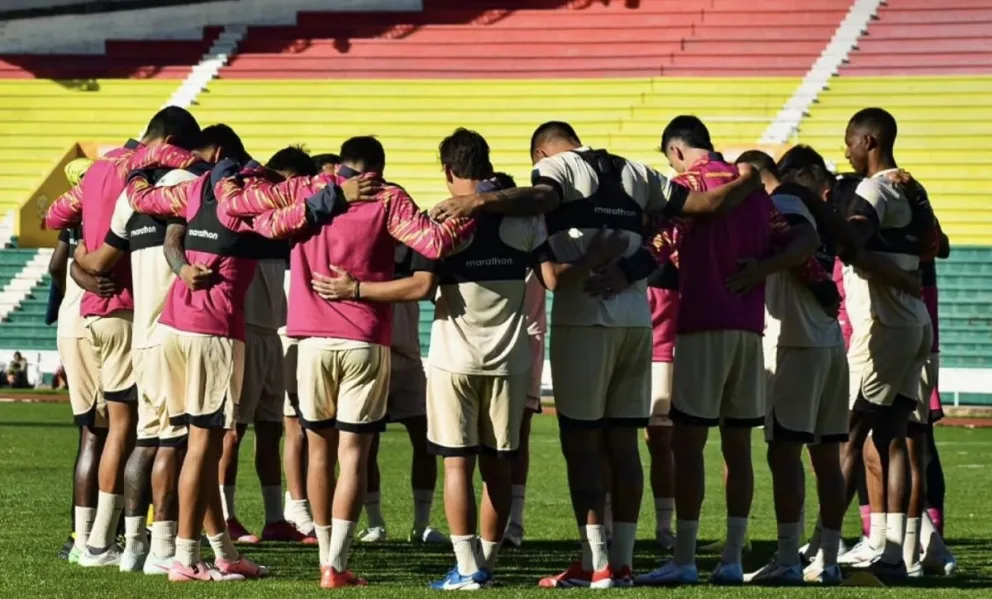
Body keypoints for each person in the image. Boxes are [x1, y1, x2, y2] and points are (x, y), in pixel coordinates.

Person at [429, 121, 762, 588]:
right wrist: (748, 180)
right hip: (635, 321)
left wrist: (478, 199)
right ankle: (621, 562)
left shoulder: (557, 168)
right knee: (624, 444)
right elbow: (705, 205)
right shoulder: (636, 171)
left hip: (585, 318)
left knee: (582, 444)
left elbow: (541, 199)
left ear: (541, 152)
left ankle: (596, 562)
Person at [215, 135, 475, 588]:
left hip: (309, 338)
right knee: (354, 453)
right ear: (378, 166)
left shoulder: (308, 190)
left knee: (320, 452)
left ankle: (321, 554)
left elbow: (255, 216)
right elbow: (432, 242)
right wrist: (472, 210)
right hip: (364, 338)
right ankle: (336, 563)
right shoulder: (388, 196)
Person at [636, 116, 830, 586]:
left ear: (677, 151)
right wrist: (808, 282)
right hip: (750, 328)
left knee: (689, 443)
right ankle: (731, 559)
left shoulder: (687, 185)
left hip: (702, 324)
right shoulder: (755, 192)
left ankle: (683, 557)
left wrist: (624, 270)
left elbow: (666, 241)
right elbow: (797, 244)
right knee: (737, 446)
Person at [44, 106, 203, 568]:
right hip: (129, 306)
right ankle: (103, 543)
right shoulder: (145, 171)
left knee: (96, 433)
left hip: (93, 307)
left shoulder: (98, 168)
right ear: (168, 140)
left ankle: (89, 539)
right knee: (130, 430)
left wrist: (81, 269)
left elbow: (57, 216)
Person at [123, 126, 273, 582]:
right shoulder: (248, 192)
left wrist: (183, 267)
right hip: (215, 333)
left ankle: (222, 552)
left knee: (196, 449)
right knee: (202, 448)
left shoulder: (192, 191)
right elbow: (288, 207)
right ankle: (185, 560)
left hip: (173, 326)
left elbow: (148, 207)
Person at [835, 107, 936, 579]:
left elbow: (851, 243)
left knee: (847, 437)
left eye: (851, 142)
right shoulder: (913, 187)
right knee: (892, 438)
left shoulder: (873, 188)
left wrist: (877, 263)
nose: (848, 151)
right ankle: (895, 556)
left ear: (870, 140)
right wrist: (903, 268)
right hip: (915, 324)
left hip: (884, 327)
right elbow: (937, 242)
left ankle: (823, 551)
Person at [741, 162, 849, 584]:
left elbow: (799, 247)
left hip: (794, 345)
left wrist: (758, 270)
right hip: (827, 345)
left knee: (784, 453)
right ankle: (829, 561)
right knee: (826, 459)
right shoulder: (813, 213)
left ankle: (788, 557)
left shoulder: (782, 203)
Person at [216, 149, 319, 546]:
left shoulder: (289, 226)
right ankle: (226, 516)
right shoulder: (249, 214)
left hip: (276, 332)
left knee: (271, 430)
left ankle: (276, 518)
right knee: (233, 430)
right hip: (246, 332)